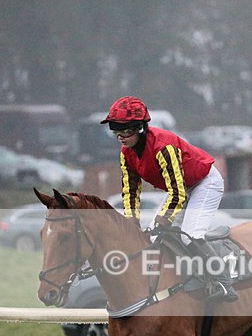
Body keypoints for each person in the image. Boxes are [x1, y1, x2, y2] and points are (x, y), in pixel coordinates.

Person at [100, 95, 238, 302]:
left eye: (125, 128)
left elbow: (178, 192)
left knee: (190, 234)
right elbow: (130, 190)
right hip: (182, 187)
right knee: (153, 239)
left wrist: (162, 221)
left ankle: (223, 282)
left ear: (140, 127)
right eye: (115, 128)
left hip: (205, 183)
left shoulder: (163, 147)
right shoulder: (126, 153)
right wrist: (132, 220)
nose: (120, 135)